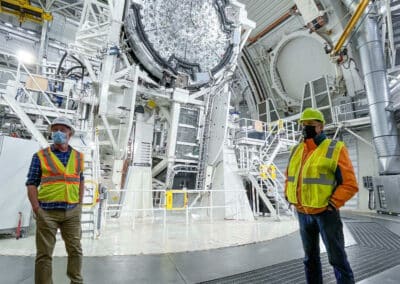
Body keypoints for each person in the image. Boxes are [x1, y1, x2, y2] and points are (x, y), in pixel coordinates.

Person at [285, 108, 358, 284]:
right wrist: (288, 195)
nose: (305, 128)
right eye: (303, 124)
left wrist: (332, 204)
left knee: (337, 259)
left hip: (326, 214)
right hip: (302, 214)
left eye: (310, 124)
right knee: (310, 259)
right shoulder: (296, 150)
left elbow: (349, 184)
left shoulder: (334, 148)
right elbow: (290, 177)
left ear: (321, 126)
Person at [26, 116, 84, 284]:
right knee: (44, 255)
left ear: (70, 134)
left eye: (62, 129)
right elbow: (31, 183)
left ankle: (76, 282)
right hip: (47, 212)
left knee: (76, 251)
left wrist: (79, 204)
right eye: (55, 129)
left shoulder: (79, 157)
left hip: (72, 212)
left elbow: (80, 180)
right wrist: (37, 209)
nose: (58, 133)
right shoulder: (40, 156)